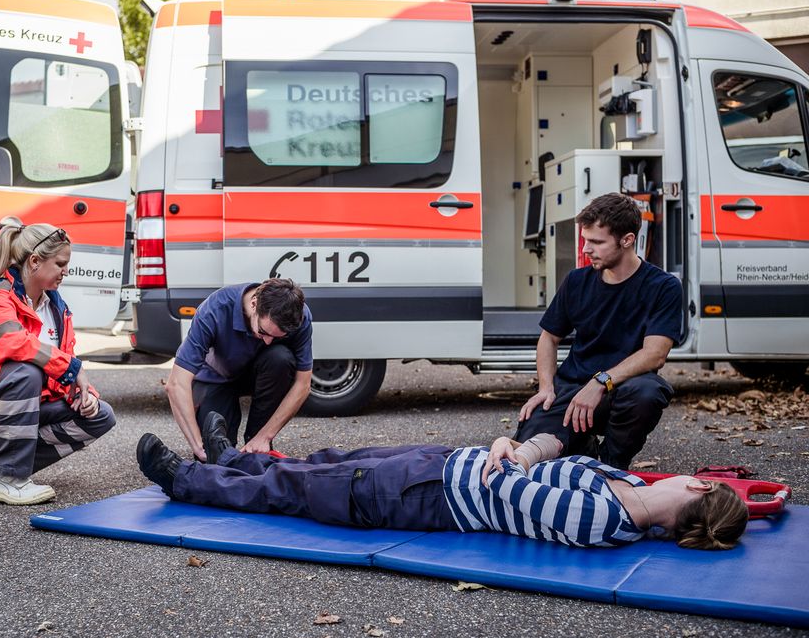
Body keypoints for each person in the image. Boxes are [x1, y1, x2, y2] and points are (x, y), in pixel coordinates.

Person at [137, 414, 748, 550]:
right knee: (324, 459)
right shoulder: (627, 487)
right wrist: (512, 448)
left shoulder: (608, 523)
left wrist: (508, 452)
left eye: (697, 480)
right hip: (444, 464)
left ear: (695, 491)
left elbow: (508, 488)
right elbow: (538, 463)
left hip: (428, 496)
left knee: (298, 491)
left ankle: (187, 480)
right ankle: (232, 458)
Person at [0, 220, 116, 505]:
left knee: (100, 414)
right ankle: (4, 479)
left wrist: (82, 396)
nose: (66, 271)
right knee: (25, 372)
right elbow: (15, 343)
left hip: (17, 404)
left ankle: (2, 458)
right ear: (36, 261)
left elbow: (62, 365)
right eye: (60, 263)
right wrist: (71, 369)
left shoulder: (57, 309)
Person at [516, 193, 683, 469]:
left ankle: (610, 466)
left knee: (648, 392)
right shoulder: (576, 281)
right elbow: (549, 337)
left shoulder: (663, 286)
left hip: (619, 390)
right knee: (529, 457)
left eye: (596, 242)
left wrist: (600, 382)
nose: (585, 249)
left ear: (627, 240)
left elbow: (655, 354)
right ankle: (581, 444)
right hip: (570, 390)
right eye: (585, 240)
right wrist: (546, 388)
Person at [165, 278, 312, 461]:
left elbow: (303, 384)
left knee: (280, 358)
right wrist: (197, 445)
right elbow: (176, 383)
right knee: (215, 454)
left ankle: (257, 444)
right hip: (216, 376)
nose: (267, 341)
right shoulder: (215, 308)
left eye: (277, 337)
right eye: (264, 332)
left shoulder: (298, 315)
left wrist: (264, 436)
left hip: (261, 373)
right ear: (253, 305)